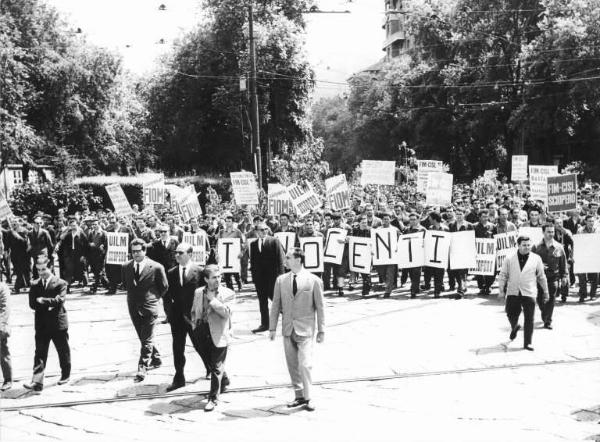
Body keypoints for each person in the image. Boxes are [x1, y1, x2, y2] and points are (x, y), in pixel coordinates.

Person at [269, 248, 325, 412]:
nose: (285, 260)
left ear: (299, 260)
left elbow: (320, 307)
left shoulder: (313, 280)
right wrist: (272, 327)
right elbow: (275, 306)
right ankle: (299, 395)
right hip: (288, 328)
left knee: (305, 364)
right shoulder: (281, 280)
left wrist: (321, 330)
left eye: (288, 257)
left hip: (306, 329)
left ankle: (309, 397)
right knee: (292, 365)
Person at [122, 238, 168, 382]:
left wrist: (154, 298)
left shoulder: (156, 267)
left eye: (138, 251)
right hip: (133, 306)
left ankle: (142, 367)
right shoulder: (126, 266)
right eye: (133, 251)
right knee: (143, 337)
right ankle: (156, 358)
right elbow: (125, 285)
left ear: (144, 251)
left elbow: (164, 286)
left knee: (147, 338)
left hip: (150, 306)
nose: (135, 254)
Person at [23, 255, 71, 392]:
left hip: (57, 323)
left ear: (50, 267)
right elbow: (32, 304)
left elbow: (60, 301)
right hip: (42, 324)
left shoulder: (60, 283)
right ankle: (37, 382)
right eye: (38, 270)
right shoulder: (35, 284)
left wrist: (42, 300)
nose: (41, 272)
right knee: (39, 353)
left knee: (63, 350)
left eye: (44, 269)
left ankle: (65, 374)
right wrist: (49, 303)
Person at [163, 243, 207, 391]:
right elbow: (167, 296)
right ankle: (179, 377)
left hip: (195, 317)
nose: (177, 255)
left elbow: (206, 296)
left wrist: (201, 315)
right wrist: (169, 313)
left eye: (180, 253)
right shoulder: (171, 272)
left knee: (200, 345)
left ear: (190, 254)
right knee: (177, 347)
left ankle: (211, 369)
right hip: (177, 317)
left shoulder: (200, 271)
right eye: (176, 253)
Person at [191, 264, 234, 412]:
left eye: (219, 276)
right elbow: (194, 310)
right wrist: (195, 325)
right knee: (212, 363)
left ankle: (213, 398)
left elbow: (227, 313)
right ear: (206, 279)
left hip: (219, 333)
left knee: (216, 367)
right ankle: (225, 379)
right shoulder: (198, 292)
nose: (218, 280)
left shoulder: (228, 293)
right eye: (214, 277)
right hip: (202, 333)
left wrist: (213, 301)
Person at [497, 236, 549, 351]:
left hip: (529, 291)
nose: (527, 247)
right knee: (510, 313)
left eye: (528, 245)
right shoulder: (509, 258)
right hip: (513, 291)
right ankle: (514, 326)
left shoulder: (536, 258)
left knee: (529, 318)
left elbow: (541, 276)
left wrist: (546, 291)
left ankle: (528, 343)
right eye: (524, 245)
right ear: (518, 245)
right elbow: (503, 275)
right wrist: (501, 290)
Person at [250, 221, 285, 333]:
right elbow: (254, 262)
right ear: (256, 231)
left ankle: (288, 317)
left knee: (276, 299)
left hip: (273, 277)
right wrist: (254, 278)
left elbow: (280, 260)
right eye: (261, 230)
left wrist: (281, 276)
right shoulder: (253, 244)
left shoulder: (274, 241)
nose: (264, 231)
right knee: (262, 302)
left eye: (266, 229)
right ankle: (265, 324)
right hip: (260, 279)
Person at [531, 223, 567, 330]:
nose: (551, 234)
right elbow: (530, 261)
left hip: (553, 277)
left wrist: (564, 276)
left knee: (551, 299)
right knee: (540, 299)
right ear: (543, 232)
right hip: (539, 278)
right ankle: (544, 312)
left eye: (553, 232)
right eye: (549, 232)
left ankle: (548, 321)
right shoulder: (536, 247)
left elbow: (563, 263)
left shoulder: (558, 247)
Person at [0, 281, 11, 391]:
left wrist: (1, 326)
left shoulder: (2, 287)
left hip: (0, 326)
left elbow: (5, 309)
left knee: (2, 353)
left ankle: (8, 379)